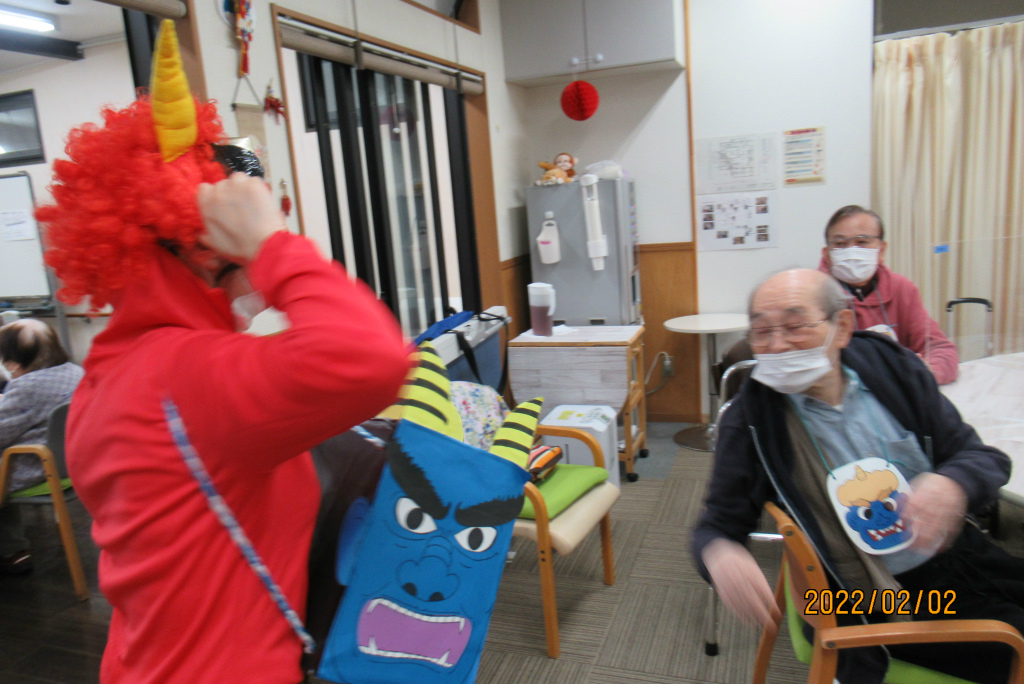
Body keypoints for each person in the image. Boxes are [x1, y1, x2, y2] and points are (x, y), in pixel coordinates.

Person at [34, 21, 411, 684]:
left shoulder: (111, 376)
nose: (257, 285)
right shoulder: (184, 376)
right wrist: (272, 246)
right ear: (204, 251)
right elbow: (373, 357)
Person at [692, 269, 1024, 684]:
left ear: (843, 327)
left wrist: (953, 483)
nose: (776, 346)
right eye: (761, 332)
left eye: (795, 326)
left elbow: (984, 457)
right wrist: (720, 554)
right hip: (875, 599)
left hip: (961, 556)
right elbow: (715, 526)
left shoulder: (892, 371)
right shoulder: (751, 420)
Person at [819, 205, 959, 384]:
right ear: (827, 254)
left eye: (862, 242)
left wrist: (925, 372)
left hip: (899, 391)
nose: (852, 251)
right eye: (840, 244)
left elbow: (940, 348)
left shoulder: (902, 289)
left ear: (881, 250)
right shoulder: (814, 295)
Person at [0, 319, 84, 574]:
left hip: (33, 467)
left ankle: (12, 550)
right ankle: (14, 551)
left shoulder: (28, 387)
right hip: (70, 463)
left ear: (14, 362)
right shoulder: (75, 372)